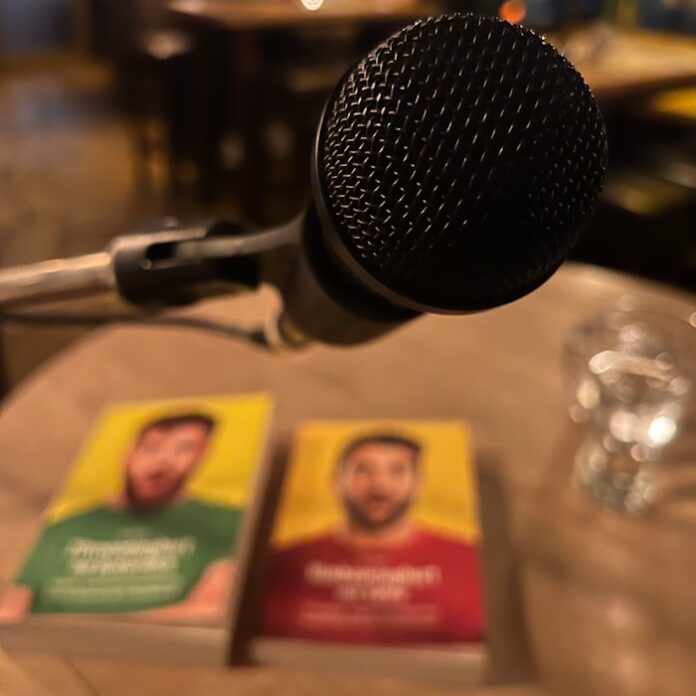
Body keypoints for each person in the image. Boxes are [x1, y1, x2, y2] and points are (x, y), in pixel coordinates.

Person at [0, 413, 239, 623]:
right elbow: (12, 611)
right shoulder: (61, 527)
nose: (163, 460)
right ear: (129, 453)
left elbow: (210, 610)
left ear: (202, 456)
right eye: (152, 448)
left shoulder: (226, 520)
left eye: (184, 449)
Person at [263, 433, 484, 644]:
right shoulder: (283, 562)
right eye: (363, 470)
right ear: (336, 481)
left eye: (397, 471)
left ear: (418, 482)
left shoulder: (469, 559)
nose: (379, 484)